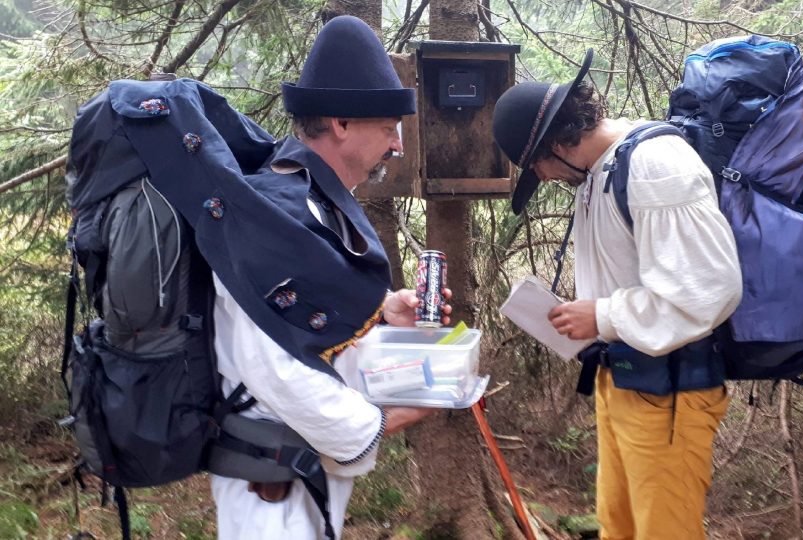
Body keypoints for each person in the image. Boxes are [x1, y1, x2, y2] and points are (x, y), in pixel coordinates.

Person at [208, 16, 447, 539]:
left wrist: (382, 310)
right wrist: (382, 422)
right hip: (269, 489)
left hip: (302, 469)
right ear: (341, 123)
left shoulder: (313, 206)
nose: (398, 147)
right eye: (388, 129)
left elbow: (310, 324)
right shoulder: (271, 216)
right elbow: (275, 370)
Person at [492, 50, 743, 539]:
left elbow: (710, 290)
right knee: (618, 526)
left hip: (670, 393)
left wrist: (602, 316)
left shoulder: (654, 164)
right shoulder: (598, 173)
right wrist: (590, 315)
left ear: (558, 142)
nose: (542, 178)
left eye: (537, 165)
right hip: (624, 384)